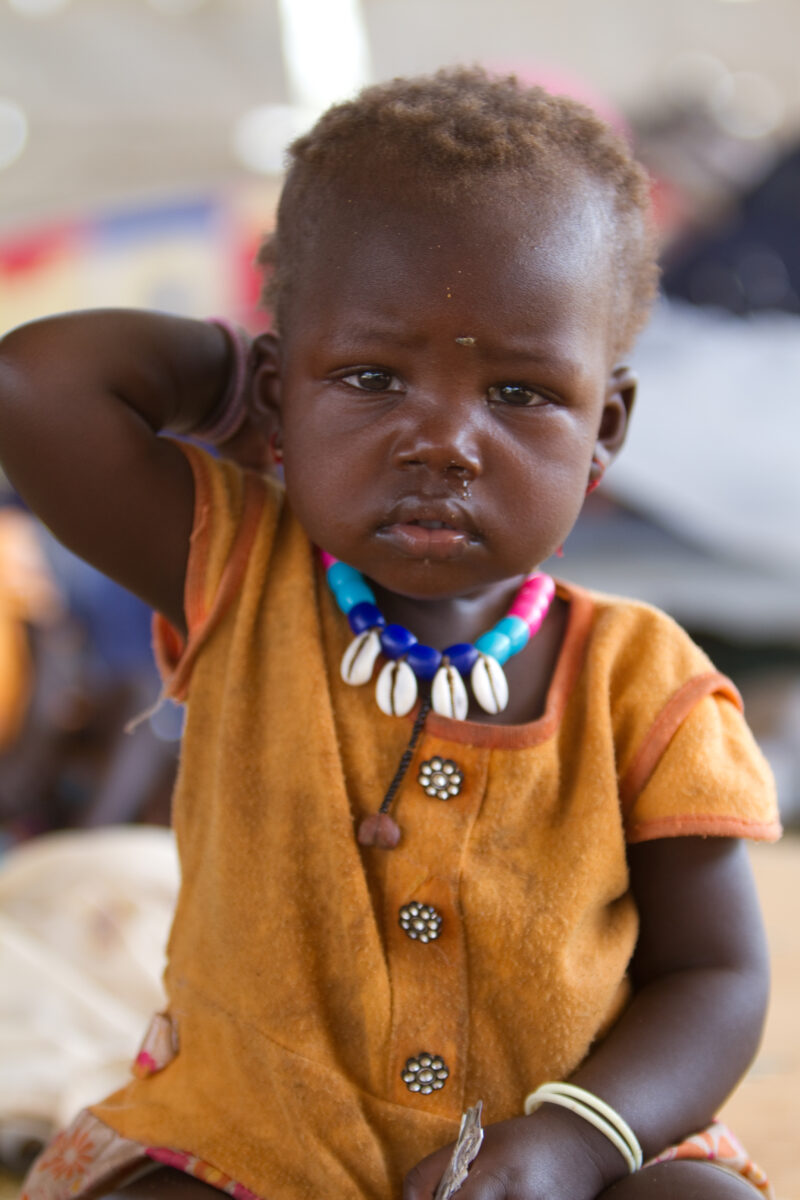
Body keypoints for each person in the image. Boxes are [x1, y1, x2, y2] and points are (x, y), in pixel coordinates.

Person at [0, 68, 780, 1200]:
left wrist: (576, 1142)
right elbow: (34, 383)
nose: (443, 443)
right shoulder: (236, 575)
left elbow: (715, 977)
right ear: (281, 393)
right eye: (372, 378)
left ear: (603, 428)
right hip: (252, 1150)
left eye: (520, 394)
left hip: (553, 1154)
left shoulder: (645, 682)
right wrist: (251, 398)